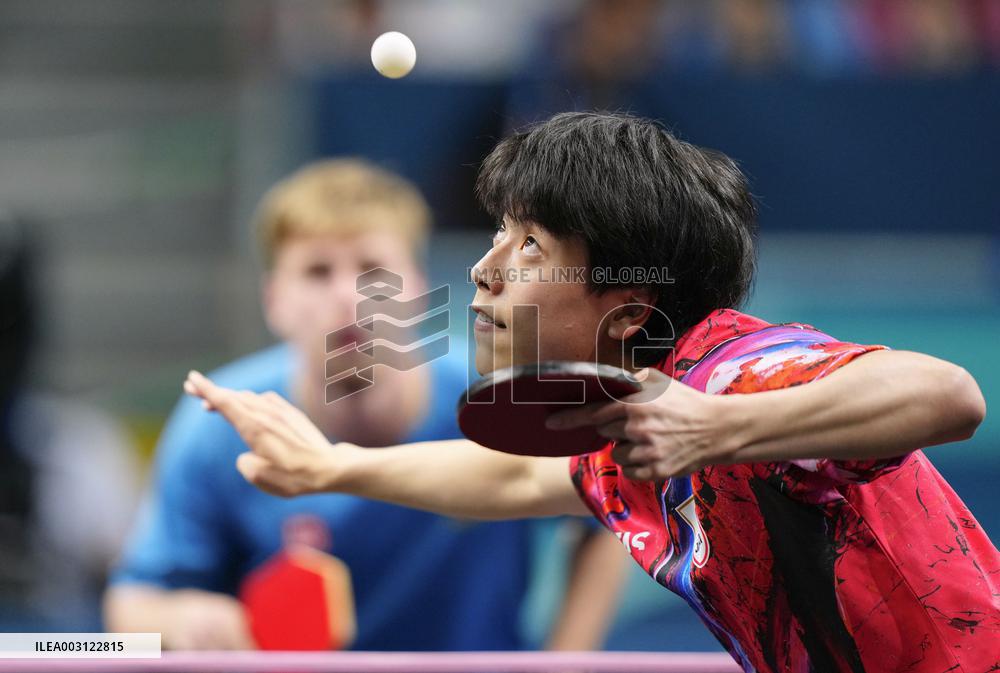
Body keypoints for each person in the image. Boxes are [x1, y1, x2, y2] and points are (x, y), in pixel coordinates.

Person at [184, 113, 996, 672]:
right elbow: (513, 475)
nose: (483, 268)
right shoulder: (638, 419)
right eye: (498, 235)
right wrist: (331, 467)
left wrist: (722, 424)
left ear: (626, 310)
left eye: (529, 244)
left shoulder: (735, 372)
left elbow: (948, 392)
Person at [104, 159, 626, 651]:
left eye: (373, 268)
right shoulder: (220, 423)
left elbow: (608, 504)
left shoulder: (505, 392)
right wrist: (180, 619)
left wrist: (566, 659)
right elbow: (130, 604)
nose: (348, 295)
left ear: (418, 288)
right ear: (274, 301)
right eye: (316, 271)